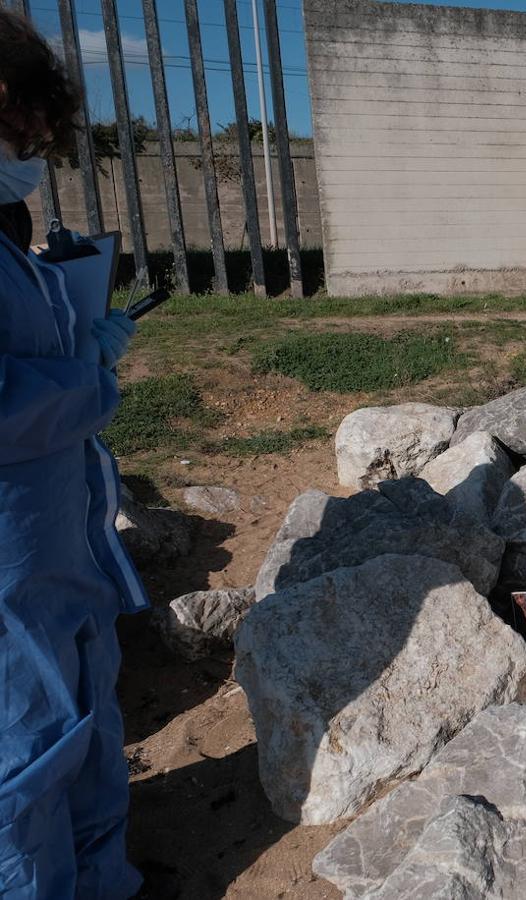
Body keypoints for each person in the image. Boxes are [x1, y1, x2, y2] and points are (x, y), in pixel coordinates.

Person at [1, 9, 147, 898]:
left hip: (55, 541)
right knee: (21, 757)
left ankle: (107, 882)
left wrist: (71, 314)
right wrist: (85, 378)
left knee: (84, 719)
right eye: (26, 132)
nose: (36, 151)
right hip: (11, 563)